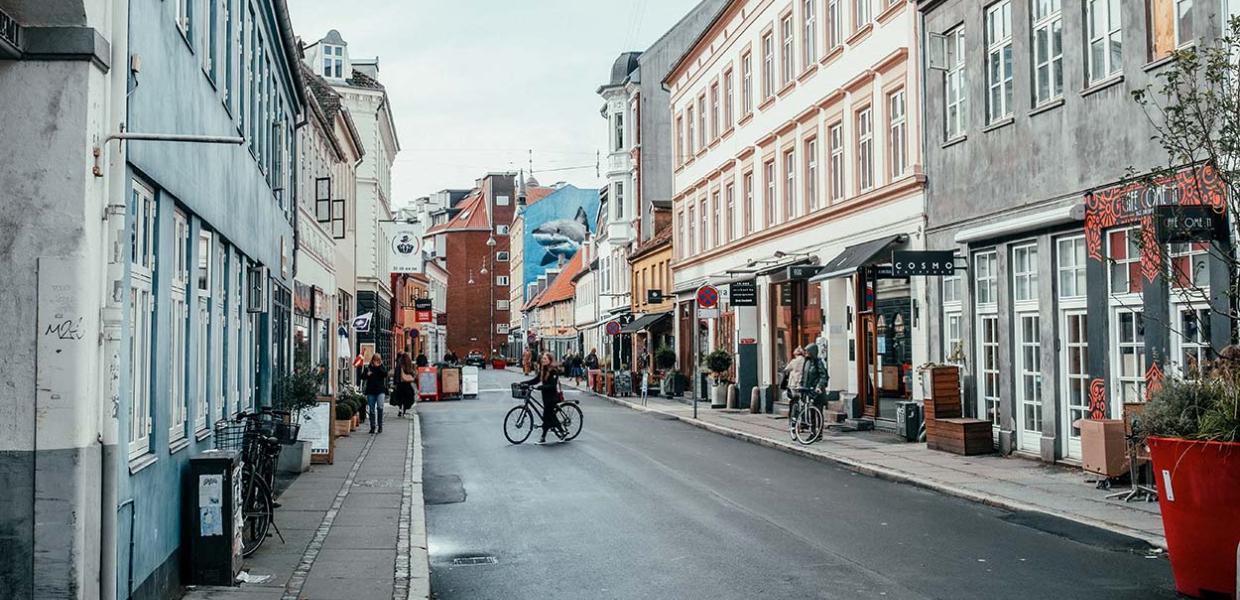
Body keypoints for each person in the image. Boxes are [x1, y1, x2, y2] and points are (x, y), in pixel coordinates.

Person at [521, 352, 562, 444]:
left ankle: (545, 436)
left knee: (547, 416)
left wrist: (540, 387)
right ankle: (559, 432)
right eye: (542, 359)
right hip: (545, 396)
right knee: (549, 416)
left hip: (552, 396)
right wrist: (524, 383)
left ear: (550, 360)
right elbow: (536, 380)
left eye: (545, 359)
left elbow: (552, 385)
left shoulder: (553, 371)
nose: (543, 360)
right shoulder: (543, 369)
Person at [360, 353, 389, 434]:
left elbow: (385, 374)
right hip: (371, 391)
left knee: (380, 407)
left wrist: (379, 366)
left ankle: (380, 426)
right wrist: (367, 374)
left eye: (378, 360)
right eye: (375, 360)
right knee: (371, 410)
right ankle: (372, 426)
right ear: (372, 360)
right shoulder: (368, 368)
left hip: (380, 390)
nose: (376, 362)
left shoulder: (381, 367)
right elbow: (362, 377)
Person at [800, 343, 830, 407]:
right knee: (807, 409)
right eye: (805, 351)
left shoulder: (818, 362)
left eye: (807, 351)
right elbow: (804, 375)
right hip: (807, 389)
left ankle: (819, 416)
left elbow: (823, 376)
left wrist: (818, 386)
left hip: (815, 390)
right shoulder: (806, 362)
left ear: (812, 352)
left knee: (818, 408)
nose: (806, 353)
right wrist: (801, 385)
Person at [393, 352, 417, 417]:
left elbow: (396, 374)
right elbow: (412, 373)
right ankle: (404, 410)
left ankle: (400, 409)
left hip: (400, 384)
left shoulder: (399, 365)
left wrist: (395, 383)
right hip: (407, 384)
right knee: (408, 397)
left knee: (400, 398)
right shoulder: (408, 364)